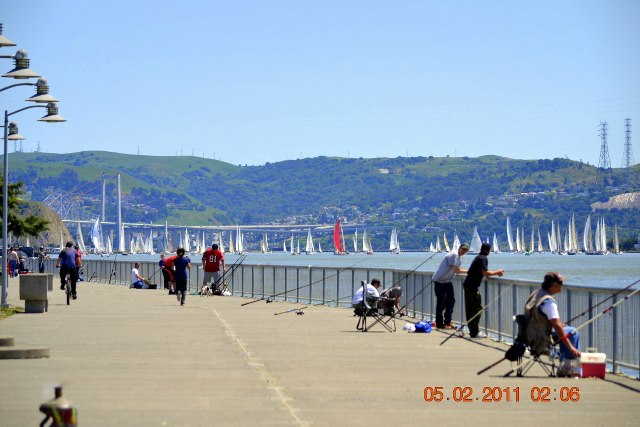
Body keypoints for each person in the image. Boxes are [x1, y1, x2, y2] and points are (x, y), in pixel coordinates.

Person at [524, 272, 581, 377]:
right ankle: (567, 367)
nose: (562, 287)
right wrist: (572, 348)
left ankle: (567, 364)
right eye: (561, 284)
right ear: (554, 286)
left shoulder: (537, 294)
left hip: (529, 334)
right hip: (541, 339)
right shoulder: (549, 302)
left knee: (565, 329)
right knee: (572, 332)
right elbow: (557, 327)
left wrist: (559, 325)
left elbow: (543, 318)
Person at [463, 242, 504, 338]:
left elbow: (472, 271)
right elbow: (485, 272)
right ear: (488, 251)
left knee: (470, 309)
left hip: (468, 285)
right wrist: (497, 272)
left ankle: (473, 331)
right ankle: (474, 332)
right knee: (477, 308)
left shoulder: (478, 258)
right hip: (472, 287)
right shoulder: (483, 258)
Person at [432, 244, 469, 329]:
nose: (464, 251)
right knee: (441, 302)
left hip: (447, 281)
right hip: (439, 280)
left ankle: (448, 322)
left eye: (466, 250)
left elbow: (457, 268)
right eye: (463, 249)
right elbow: (456, 270)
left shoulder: (460, 256)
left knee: (451, 301)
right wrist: (470, 271)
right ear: (459, 248)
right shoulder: (454, 254)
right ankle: (439, 323)